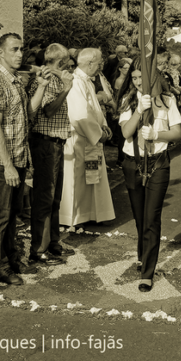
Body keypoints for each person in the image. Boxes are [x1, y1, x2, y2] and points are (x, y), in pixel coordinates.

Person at [0, 33, 50, 286]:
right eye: (14, 49)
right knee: (0, 215)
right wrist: (8, 165)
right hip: (2, 161)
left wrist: (41, 86)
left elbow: (28, 115)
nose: (20, 54)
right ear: (1, 52)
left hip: (19, 158)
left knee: (13, 214)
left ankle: (11, 259)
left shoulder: (15, 82)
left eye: (21, 49)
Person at [117, 59, 181, 292]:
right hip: (132, 162)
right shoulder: (127, 100)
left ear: (152, 78)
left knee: (152, 217)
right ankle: (142, 254)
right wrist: (138, 110)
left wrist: (157, 134)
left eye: (141, 78)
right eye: (133, 78)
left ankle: (147, 272)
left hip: (158, 163)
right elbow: (126, 132)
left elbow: (176, 133)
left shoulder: (167, 100)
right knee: (139, 216)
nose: (137, 82)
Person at [26, 43, 75, 266]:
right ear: (62, 61)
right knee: (45, 198)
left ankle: (53, 241)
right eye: (68, 63)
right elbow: (47, 110)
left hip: (55, 141)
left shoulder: (56, 76)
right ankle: (38, 248)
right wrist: (65, 89)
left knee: (54, 197)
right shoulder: (48, 78)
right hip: (45, 143)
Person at [59, 48, 117, 227]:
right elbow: (79, 114)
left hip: (90, 138)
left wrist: (104, 126)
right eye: (99, 62)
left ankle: (92, 213)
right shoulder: (76, 82)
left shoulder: (87, 81)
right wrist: (98, 134)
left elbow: (95, 109)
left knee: (93, 176)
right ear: (90, 63)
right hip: (81, 140)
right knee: (80, 179)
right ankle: (76, 216)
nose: (101, 65)